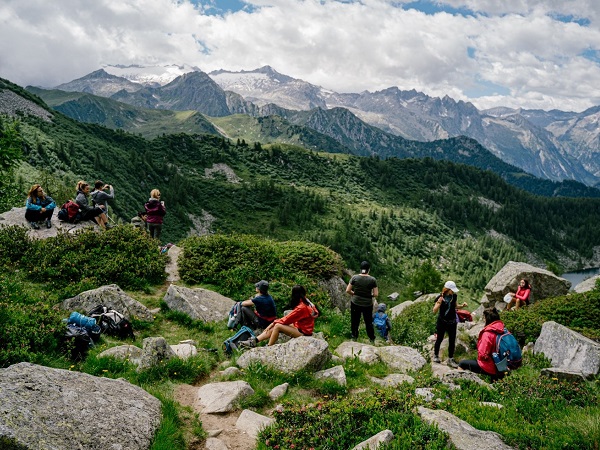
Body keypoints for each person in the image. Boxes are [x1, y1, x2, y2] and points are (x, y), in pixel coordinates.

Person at [241, 285, 318, 347]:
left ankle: (269, 346)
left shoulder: (301, 308)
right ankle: (255, 340)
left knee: (277, 326)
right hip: (303, 328)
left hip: (304, 333)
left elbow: (287, 319)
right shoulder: (307, 301)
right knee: (277, 324)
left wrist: (272, 323)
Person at [458, 307, 506, 382]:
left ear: (487, 319)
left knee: (462, 364)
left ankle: (460, 385)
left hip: (491, 366)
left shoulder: (487, 333)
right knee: (495, 383)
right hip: (503, 365)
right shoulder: (503, 330)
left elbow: (483, 354)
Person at [432, 280, 468, 368]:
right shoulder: (440, 297)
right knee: (439, 339)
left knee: (452, 341)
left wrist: (462, 306)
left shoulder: (454, 296)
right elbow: (434, 311)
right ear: (447, 289)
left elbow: (455, 306)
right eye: (452, 290)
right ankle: (436, 355)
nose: (453, 292)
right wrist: (439, 303)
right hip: (442, 322)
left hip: (452, 322)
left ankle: (450, 359)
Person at [346, 261, 378, 343]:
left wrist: (354, 294)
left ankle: (354, 337)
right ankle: (371, 339)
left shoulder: (354, 278)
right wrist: (369, 296)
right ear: (368, 270)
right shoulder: (372, 280)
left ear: (361, 269)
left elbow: (348, 290)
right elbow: (376, 294)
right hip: (367, 304)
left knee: (355, 321)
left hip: (355, 302)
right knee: (368, 322)